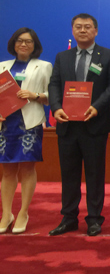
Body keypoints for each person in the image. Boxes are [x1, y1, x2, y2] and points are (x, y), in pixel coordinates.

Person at [48, 14, 110, 236]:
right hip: (67, 124)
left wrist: (97, 107)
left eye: (87, 27)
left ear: (95, 31)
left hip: (95, 124)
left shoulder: (108, 55)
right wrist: (56, 108)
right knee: (69, 174)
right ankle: (69, 218)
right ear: (72, 30)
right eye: (78, 27)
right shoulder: (63, 56)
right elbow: (54, 84)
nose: (83, 30)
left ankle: (94, 219)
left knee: (95, 175)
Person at [0, 28, 52, 234]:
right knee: (7, 170)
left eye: (28, 41)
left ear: (35, 45)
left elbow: (52, 95)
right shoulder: (2, 66)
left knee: (28, 167)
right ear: (13, 43)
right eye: (20, 40)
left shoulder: (44, 66)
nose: (23, 44)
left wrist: (34, 95)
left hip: (30, 123)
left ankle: (23, 212)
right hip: (6, 124)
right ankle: (6, 214)